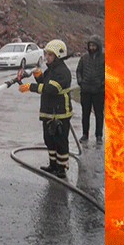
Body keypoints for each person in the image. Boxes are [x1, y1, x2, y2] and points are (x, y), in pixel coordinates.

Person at [19, 39, 73, 179]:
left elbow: (52, 89)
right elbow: (46, 83)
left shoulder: (62, 71)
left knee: (60, 142)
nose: (46, 57)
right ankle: (53, 165)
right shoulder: (52, 69)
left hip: (60, 113)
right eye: (46, 54)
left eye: (50, 54)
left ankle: (61, 168)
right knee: (49, 140)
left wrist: (31, 87)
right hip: (49, 112)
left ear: (58, 56)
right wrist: (39, 77)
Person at [76, 36, 105, 146]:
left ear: (98, 46)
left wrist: (102, 84)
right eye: (90, 46)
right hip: (86, 90)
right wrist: (80, 82)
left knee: (98, 114)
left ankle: (99, 135)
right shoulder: (84, 58)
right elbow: (79, 71)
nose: (92, 48)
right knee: (85, 113)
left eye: (94, 46)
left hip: (99, 91)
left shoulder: (103, 58)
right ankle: (85, 134)